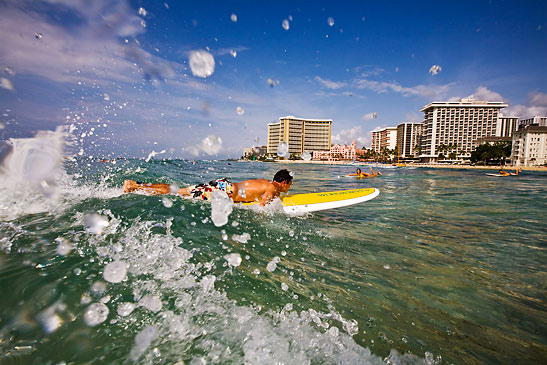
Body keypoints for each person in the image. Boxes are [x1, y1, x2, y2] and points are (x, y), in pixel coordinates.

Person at [123, 169, 293, 206]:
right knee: (180, 194)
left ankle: (136, 185)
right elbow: (263, 208)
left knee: (180, 191)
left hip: (223, 185)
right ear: (284, 182)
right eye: (290, 184)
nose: (289, 188)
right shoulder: (273, 189)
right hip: (223, 192)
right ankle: (136, 186)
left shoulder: (265, 181)